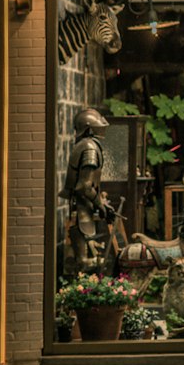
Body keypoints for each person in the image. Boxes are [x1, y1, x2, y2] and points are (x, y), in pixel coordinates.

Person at [61, 106, 116, 267]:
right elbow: (84, 186)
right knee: (85, 263)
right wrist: (100, 204)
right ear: (89, 129)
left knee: (91, 261)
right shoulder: (90, 148)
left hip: (84, 207)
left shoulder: (86, 145)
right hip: (82, 209)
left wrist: (101, 204)